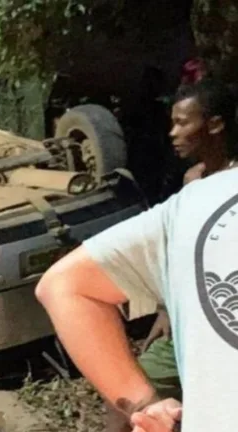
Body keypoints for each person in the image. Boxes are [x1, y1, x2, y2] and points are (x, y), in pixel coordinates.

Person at [35, 78, 238, 432]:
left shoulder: (205, 191)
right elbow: (185, 257)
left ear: (216, 124)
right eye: (172, 122)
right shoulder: (193, 185)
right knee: (130, 398)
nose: (173, 133)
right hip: (188, 330)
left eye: (182, 122)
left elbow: (64, 284)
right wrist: (165, 308)